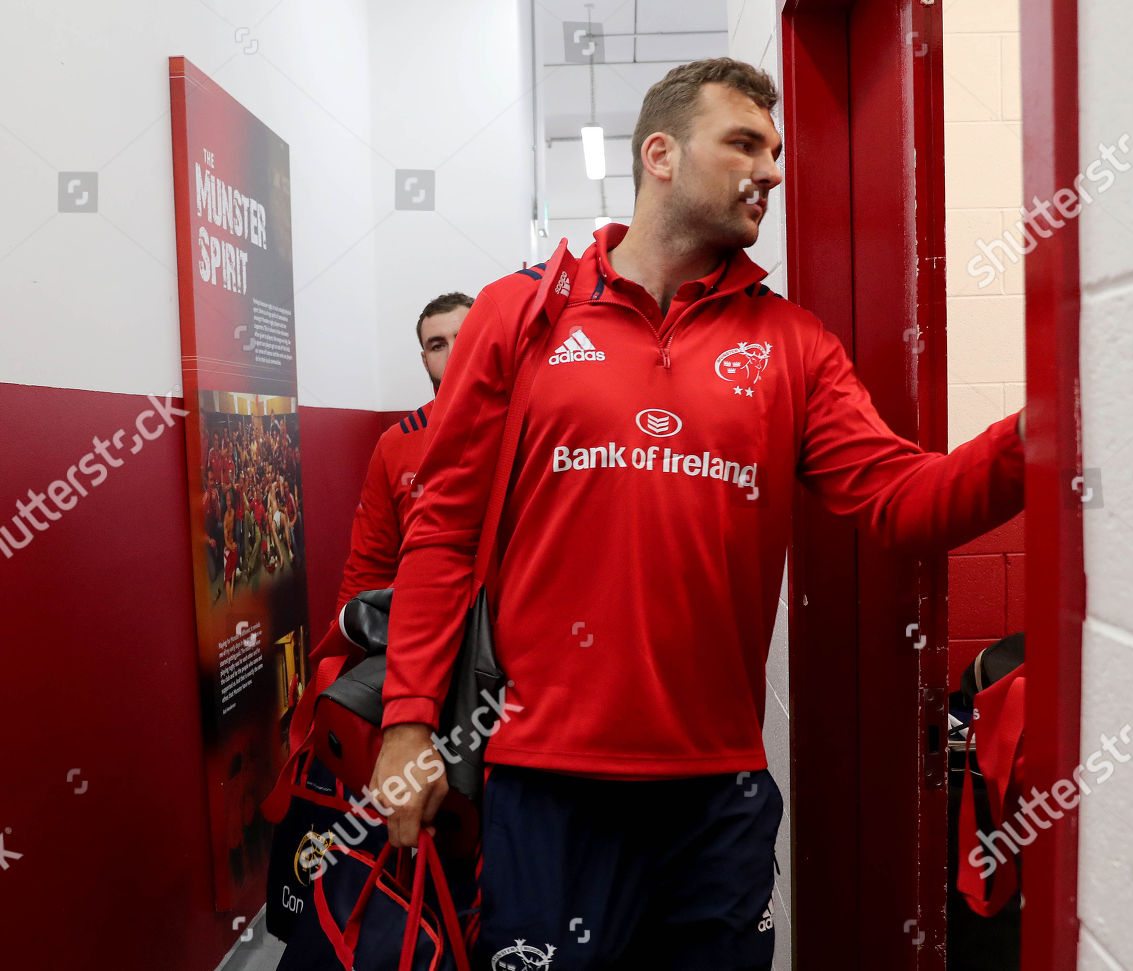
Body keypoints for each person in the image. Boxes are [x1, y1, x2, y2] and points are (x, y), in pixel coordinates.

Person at [373, 57, 1026, 969]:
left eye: (777, 149)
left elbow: (901, 501)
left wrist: (1040, 433)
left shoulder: (792, 343)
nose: (771, 169)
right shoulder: (522, 314)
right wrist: (407, 722)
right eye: (744, 143)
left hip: (715, 791)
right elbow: (441, 527)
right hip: (548, 785)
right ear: (662, 155)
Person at [334, 292, 471, 608]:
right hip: (426, 625)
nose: (454, 353)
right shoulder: (396, 444)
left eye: (465, 338)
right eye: (438, 345)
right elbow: (369, 563)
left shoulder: (529, 426)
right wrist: (344, 650)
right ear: (424, 360)